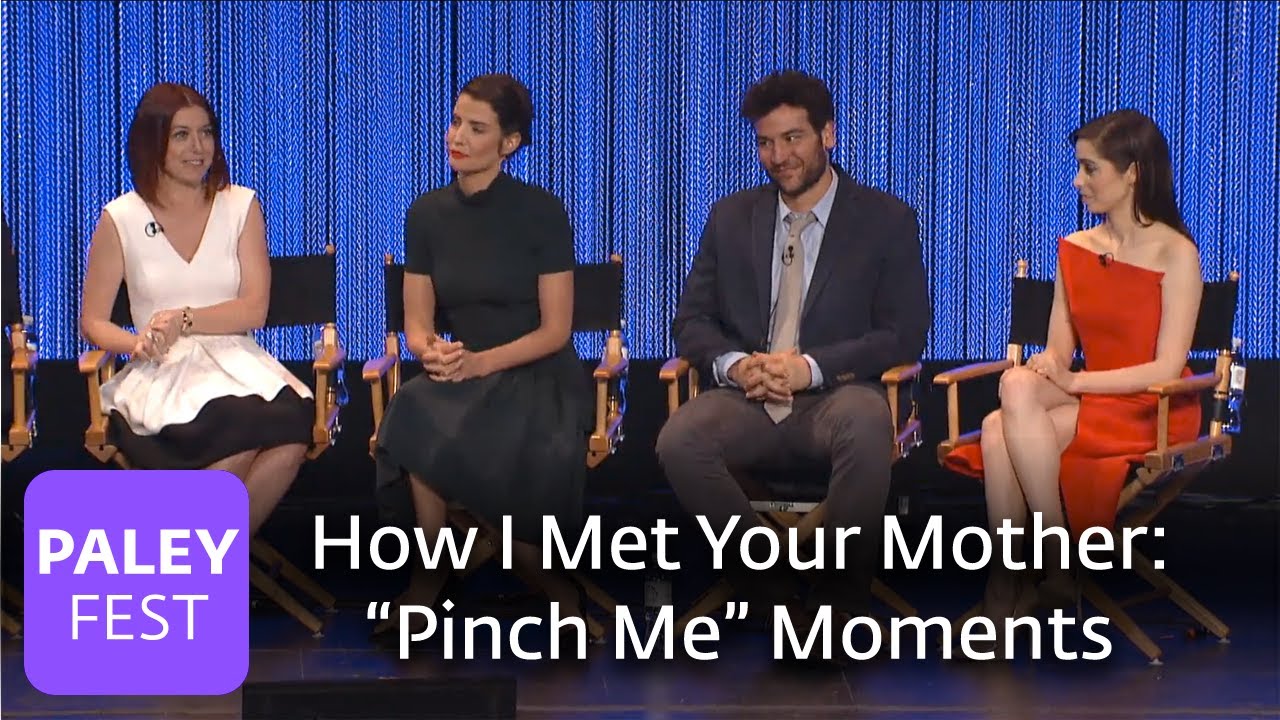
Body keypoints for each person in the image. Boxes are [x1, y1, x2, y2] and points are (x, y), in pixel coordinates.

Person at [655, 71, 931, 637]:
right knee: (679, 439)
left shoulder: (885, 220)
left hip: (836, 396)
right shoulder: (731, 217)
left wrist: (810, 368)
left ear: (828, 134)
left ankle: (836, 608)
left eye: (793, 138)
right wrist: (737, 366)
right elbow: (692, 321)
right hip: (747, 398)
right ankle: (771, 589)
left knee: (866, 422)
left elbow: (903, 334)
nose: (778, 156)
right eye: (765, 142)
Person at [943, 109, 1203, 646]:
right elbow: (1060, 349)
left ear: (1132, 172)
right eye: (1078, 167)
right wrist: (1048, 366)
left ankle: (1008, 587)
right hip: (1092, 396)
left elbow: (1164, 366)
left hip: (1153, 406)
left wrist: (1076, 383)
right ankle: (1053, 563)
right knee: (1015, 389)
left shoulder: (1177, 253)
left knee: (996, 430)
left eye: (1090, 169)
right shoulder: (1076, 248)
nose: (1077, 180)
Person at [372, 74, 592, 634]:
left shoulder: (542, 211)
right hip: (463, 372)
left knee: (455, 423)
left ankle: (552, 585)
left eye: (476, 128)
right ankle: (428, 577)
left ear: (509, 143)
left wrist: (480, 363)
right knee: (414, 404)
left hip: (535, 372)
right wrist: (433, 353)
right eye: (455, 123)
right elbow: (417, 325)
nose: (457, 137)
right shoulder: (426, 214)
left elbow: (556, 331)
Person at [79, 82, 314, 537]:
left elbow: (254, 310)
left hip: (240, 367)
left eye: (206, 133)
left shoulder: (240, 206)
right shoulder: (121, 218)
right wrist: (138, 342)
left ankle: (195, 564)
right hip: (163, 372)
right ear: (153, 142)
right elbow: (92, 321)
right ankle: (204, 565)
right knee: (236, 440)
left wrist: (184, 319)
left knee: (290, 436)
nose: (198, 147)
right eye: (182, 135)